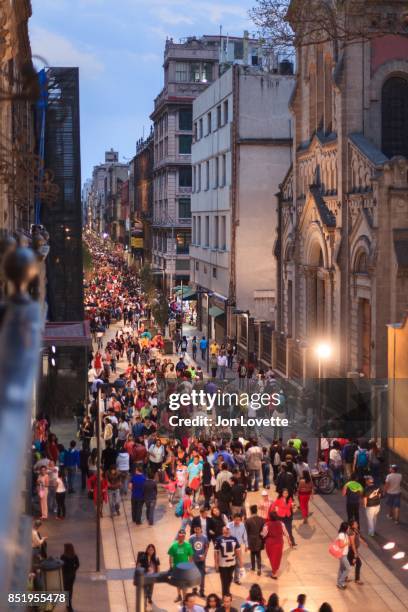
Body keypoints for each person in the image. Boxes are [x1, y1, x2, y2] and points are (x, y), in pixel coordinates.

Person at [214, 525, 242, 597]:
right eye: (225, 529)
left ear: (230, 530)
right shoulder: (218, 539)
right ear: (222, 530)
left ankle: (227, 592)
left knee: (230, 579)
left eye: (228, 529)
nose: (226, 531)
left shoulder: (234, 539)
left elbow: (238, 551)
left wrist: (241, 562)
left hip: (232, 563)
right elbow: (216, 552)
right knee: (224, 580)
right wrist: (216, 564)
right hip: (222, 565)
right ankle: (225, 595)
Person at [262, 511, 291, 579]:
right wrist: (289, 540)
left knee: (272, 557)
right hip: (279, 543)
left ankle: (274, 572)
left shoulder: (267, 524)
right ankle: (275, 570)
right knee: (277, 557)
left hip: (270, 543)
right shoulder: (281, 524)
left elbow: (264, 534)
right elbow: (286, 532)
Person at [168, 529, 194, 603]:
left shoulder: (188, 545)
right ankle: (179, 596)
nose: (181, 537)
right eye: (180, 535)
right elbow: (171, 556)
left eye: (183, 536)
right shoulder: (174, 545)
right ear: (178, 536)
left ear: (184, 536)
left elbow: (191, 557)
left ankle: (184, 598)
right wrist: (171, 566)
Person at [227, 514, 248, 585]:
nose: (237, 521)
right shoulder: (229, 525)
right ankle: (229, 577)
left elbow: (244, 535)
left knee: (238, 563)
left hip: (238, 547)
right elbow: (225, 535)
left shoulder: (242, 525)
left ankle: (236, 579)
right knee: (230, 563)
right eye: (236, 520)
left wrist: (246, 545)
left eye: (239, 520)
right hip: (230, 546)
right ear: (233, 519)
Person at [189, 524, 209, 598]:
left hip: (202, 560)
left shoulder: (204, 537)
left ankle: (202, 591)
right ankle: (194, 589)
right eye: (196, 529)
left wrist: (204, 555)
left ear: (201, 529)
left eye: (198, 529)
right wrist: (190, 560)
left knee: (202, 576)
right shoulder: (191, 538)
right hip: (194, 560)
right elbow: (190, 549)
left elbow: (206, 547)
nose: (197, 530)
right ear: (194, 530)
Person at [245, 505, 265, 576]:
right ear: (257, 510)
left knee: (252, 553)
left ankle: (253, 568)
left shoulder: (247, 521)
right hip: (259, 539)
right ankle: (259, 568)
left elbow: (246, 532)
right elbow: (264, 531)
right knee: (258, 554)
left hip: (251, 540)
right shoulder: (262, 519)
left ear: (250, 511)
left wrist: (246, 543)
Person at [60, 543, 80, 612]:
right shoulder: (74, 556)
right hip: (72, 575)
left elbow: (61, 565)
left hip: (65, 576)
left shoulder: (63, 556)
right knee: (70, 589)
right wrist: (74, 570)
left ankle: (68, 606)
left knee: (66, 590)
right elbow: (78, 564)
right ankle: (69, 605)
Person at [347, 519, 366, 585]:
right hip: (351, 550)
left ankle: (345, 577)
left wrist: (363, 542)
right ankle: (357, 579)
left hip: (353, 550)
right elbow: (352, 544)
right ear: (352, 525)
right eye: (355, 524)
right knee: (359, 563)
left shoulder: (355, 530)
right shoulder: (351, 532)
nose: (357, 524)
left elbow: (358, 538)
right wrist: (355, 553)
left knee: (348, 564)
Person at [335, 521, 351, 589]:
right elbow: (341, 545)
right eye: (348, 527)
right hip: (342, 554)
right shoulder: (341, 535)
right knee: (348, 568)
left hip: (344, 554)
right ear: (345, 528)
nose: (349, 529)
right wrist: (347, 543)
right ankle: (341, 582)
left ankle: (339, 583)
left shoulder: (345, 534)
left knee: (342, 568)